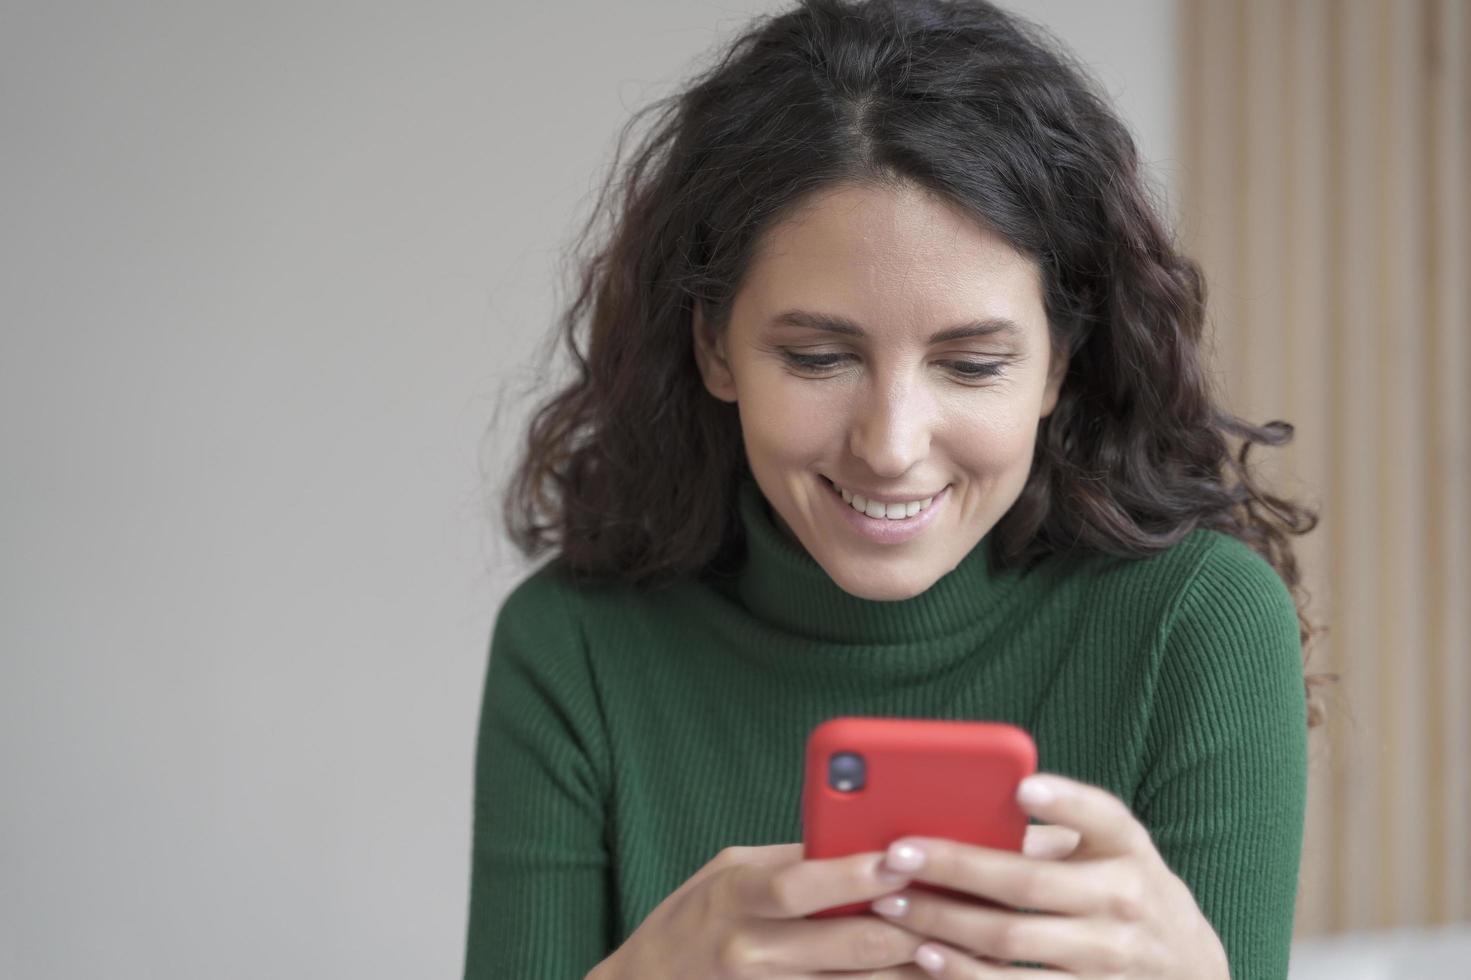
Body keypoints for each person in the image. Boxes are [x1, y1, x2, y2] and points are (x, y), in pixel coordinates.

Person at [465, 0, 1332, 976]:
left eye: (969, 366)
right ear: (714, 343)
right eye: (819, 355)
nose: (889, 445)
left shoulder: (1196, 625)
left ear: (1058, 365)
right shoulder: (576, 648)